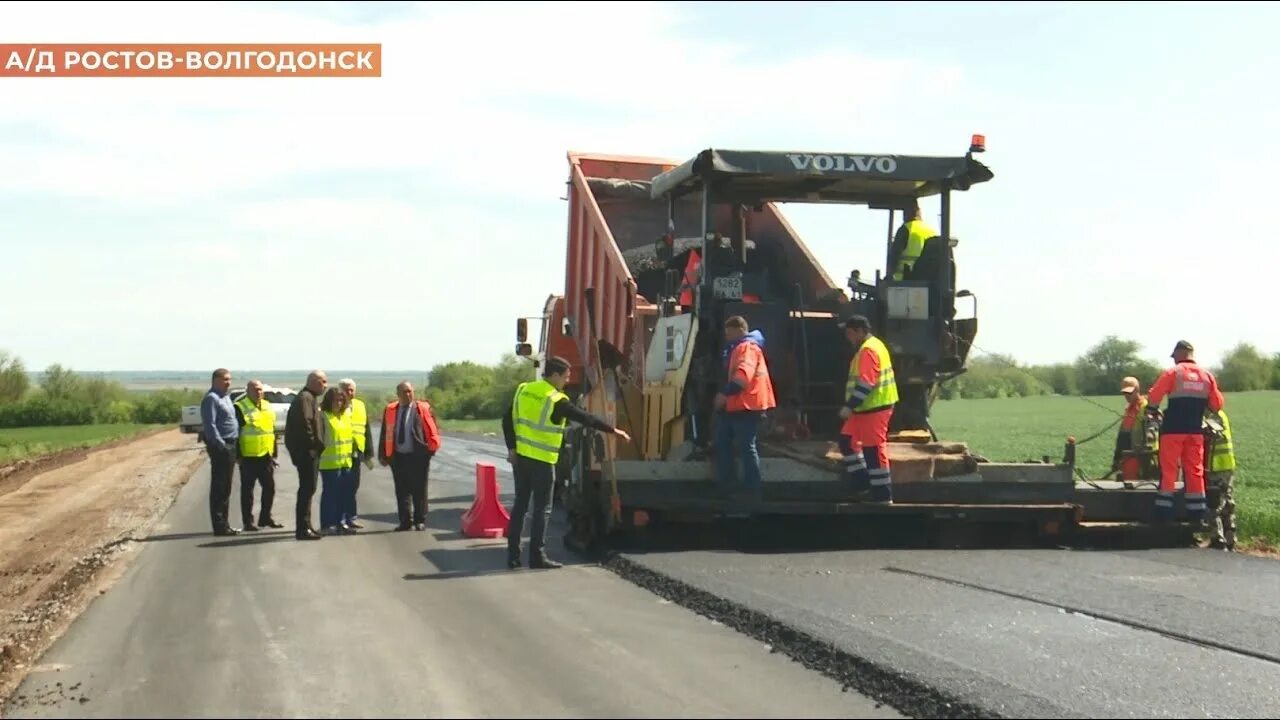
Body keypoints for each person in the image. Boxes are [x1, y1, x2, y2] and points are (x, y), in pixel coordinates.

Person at [502, 356, 630, 570]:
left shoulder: (523, 389)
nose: (567, 381)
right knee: (542, 510)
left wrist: (512, 448)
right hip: (542, 462)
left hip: (521, 459)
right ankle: (537, 557)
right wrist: (613, 430)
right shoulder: (555, 399)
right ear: (554, 375)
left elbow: (507, 420)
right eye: (566, 377)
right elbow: (584, 417)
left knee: (520, 507)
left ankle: (513, 557)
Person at [1145, 340, 1224, 523]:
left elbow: (1155, 395)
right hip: (1195, 431)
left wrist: (1152, 410)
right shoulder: (1207, 376)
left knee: (1169, 469)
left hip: (1173, 430)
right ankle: (1197, 513)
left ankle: (1164, 511)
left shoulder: (1173, 373)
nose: (1174, 360)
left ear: (1179, 354)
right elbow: (1217, 404)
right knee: (1195, 470)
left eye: (1174, 357)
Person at [712, 315, 777, 501]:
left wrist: (724, 394)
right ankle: (729, 485)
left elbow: (742, 378)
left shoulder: (745, 348)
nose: (727, 337)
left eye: (729, 333)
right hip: (740, 406)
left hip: (746, 406)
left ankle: (751, 488)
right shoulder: (742, 347)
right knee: (725, 442)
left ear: (740, 330)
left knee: (745, 447)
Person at [838, 316, 898, 504]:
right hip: (865, 409)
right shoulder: (870, 347)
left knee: (873, 449)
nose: (847, 337)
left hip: (875, 408)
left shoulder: (868, 350)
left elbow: (866, 383)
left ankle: (882, 496)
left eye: (850, 332)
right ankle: (863, 485)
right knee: (846, 442)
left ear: (860, 331)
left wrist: (850, 406)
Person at [378, 381, 442, 531]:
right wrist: (383, 455)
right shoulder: (391, 410)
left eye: (410, 391)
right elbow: (385, 432)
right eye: (404, 392)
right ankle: (405, 521)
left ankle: (420, 520)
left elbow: (433, 429)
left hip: (418, 456)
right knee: (401, 490)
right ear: (398, 394)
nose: (408, 394)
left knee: (419, 489)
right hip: (398, 457)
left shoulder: (422, 409)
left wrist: (429, 451)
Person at [284, 370, 328, 541]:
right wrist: (314, 446)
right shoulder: (305, 398)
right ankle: (302, 528)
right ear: (313, 381)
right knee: (306, 489)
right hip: (307, 453)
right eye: (322, 382)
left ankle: (307, 525)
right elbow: (306, 425)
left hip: (309, 452)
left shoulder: (310, 398)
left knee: (309, 489)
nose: (325, 386)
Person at [235, 379, 283, 531]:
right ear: (247, 391)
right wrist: (238, 456)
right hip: (248, 456)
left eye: (260, 389)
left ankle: (265, 517)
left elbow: (271, 431)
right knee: (247, 491)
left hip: (265, 455)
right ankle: (248, 522)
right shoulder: (240, 407)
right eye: (255, 389)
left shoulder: (267, 407)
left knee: (270, 488)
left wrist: (274, 452)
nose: (258, 392)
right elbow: (235, 433)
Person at [201, 368, 241, 536]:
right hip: (222, 447)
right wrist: (221, 445)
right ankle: (219, 525)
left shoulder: (226, 398)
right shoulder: (212, 398)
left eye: (229, 379)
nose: (228, 382)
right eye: (225, 379)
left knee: (226, 488)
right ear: (215, 380)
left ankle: (224, 523)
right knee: (219, 487)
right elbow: (210, 426)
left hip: (232, 444)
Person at [316, 387, 355, 535]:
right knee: (330, 496)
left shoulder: (346, 415)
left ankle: (341, 522)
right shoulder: (324, 415)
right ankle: (327, 524)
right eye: (335, 400)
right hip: (329, 463)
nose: (339, 403)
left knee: (344, 495)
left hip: (345, 462)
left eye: (341, 400)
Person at [339, 378, 374, 530]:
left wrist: (368, 453)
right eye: (346, 389)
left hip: (356, 453)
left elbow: (366, 430)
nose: (350, 392)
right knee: (340, 488)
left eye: (352, 389)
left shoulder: (360, 405)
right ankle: (339, 520)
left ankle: (351, 518)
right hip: (340, 453)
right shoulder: (335, 405)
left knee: (353, 487)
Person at [1112, 376, 1157, 480]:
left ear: (1137, 390)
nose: (1127, 396)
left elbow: (1153, 427)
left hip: (1142, 456)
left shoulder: (1145, 407)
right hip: (1127, 456)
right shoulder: (1128, 409)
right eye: (1125, 393)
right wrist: (1117, 457)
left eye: (1129, 393)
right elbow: (1123, 434)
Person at [1204, 408, 1237, 551]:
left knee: (1214, 504)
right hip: (1227, 465)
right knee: (1227, 505)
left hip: (1217, 467)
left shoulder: (1213, 416)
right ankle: (1230, 540)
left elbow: (1208, 433)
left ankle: (1218, 540)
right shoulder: (1221, 413)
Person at [887, 201, 939, 281]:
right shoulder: (932, 231)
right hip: (926, 281)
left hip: (904, 281)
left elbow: (895, 254)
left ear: (906, 214)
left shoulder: (905, 229)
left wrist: (889, 275)